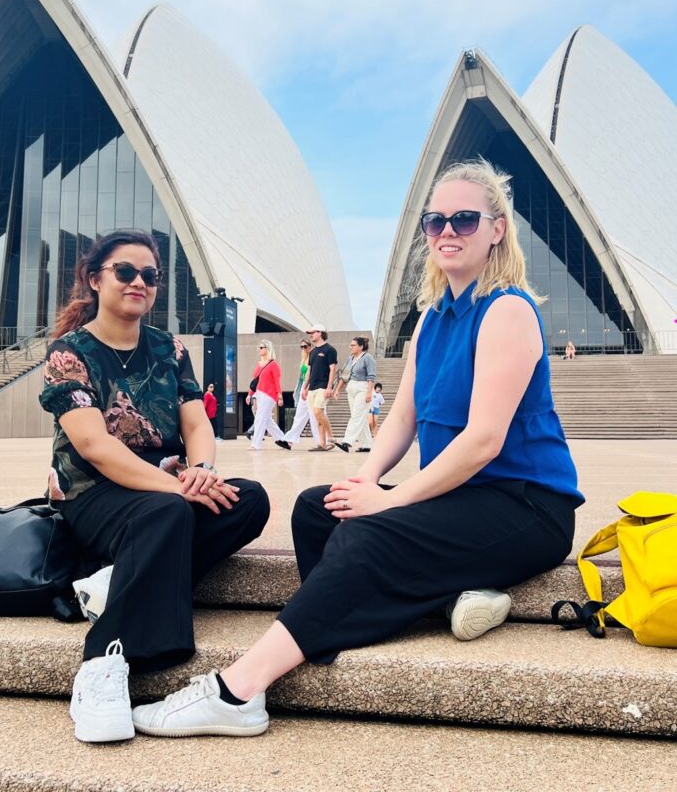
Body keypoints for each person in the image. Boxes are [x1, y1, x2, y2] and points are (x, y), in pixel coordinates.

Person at [131, 159, 583, 739]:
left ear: (497, 229)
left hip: (527, 505)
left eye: (465, 219)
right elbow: (402, 417)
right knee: (321, 507)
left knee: (371, 531)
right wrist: (365, 483)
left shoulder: (509, 309)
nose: (448, 231)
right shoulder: (432, 319)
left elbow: (483, 441)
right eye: (435, 220)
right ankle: (439, 600)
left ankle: (238, 691)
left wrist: (389, 504)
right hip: (466, 499)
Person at [39, 229, 270, 744]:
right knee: (169, 514)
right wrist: (177, 490)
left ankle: (117, 582)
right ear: (95, 279)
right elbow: (94, 446)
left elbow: (195, 425)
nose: (139, 282)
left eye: (150, 275)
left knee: (248, 499)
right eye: (125, 271)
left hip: (164, 493)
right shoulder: (68, 354)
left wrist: (202, 470)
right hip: (95, 495)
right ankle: (101, 663)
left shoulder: (169, 348)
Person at [333, 336, 377, 453]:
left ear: (361, 346)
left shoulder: (367, 358)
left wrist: (369, 392)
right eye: (350, 345)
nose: (350, 347)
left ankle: (347, 442)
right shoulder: (350, 358)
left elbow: (371, 376)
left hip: (363, 388)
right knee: (359, 417)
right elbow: (344, 375)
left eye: (353, 345)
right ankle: (367, 445)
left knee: (356, 416)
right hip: (351, 388)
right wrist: (337, 390)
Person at [275, 339, 320, 450]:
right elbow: (301, 378)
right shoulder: (304, 359)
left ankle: (321, 441)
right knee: (299, 416)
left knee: (314, 417)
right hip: (303, 390)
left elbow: (314, 376)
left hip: (312, 389)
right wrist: (298, 390)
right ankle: (289, 440)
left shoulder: (314, 357)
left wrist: (307, 388)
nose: (304, 348)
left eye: (306, 346)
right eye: (302, 347)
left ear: (311, 345)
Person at [247, 339, 287, 450]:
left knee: (260, 418)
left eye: (261, 347)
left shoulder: (273, 364)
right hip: (259, 393)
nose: (259, 349)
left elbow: (277, 382)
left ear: (267, 349)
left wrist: (280, 396)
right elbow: (255, 381)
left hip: (269, 395)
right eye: (258, 347)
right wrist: (249, 394)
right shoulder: (258, 364)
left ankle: (256, 444)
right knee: (267, 420)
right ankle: (284, 440)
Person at [303, 326, 338, 451]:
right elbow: (309, 371)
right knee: (317, 416)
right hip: (312, 388)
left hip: (323, 386)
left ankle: (331, 437)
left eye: (312, 333)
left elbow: (332, 369)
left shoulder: (330, 350)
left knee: (318, 411)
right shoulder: (312, 352)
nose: (310, 335)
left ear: (320, 333)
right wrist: (304, 388)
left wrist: (330, 387)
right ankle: (322, 443)